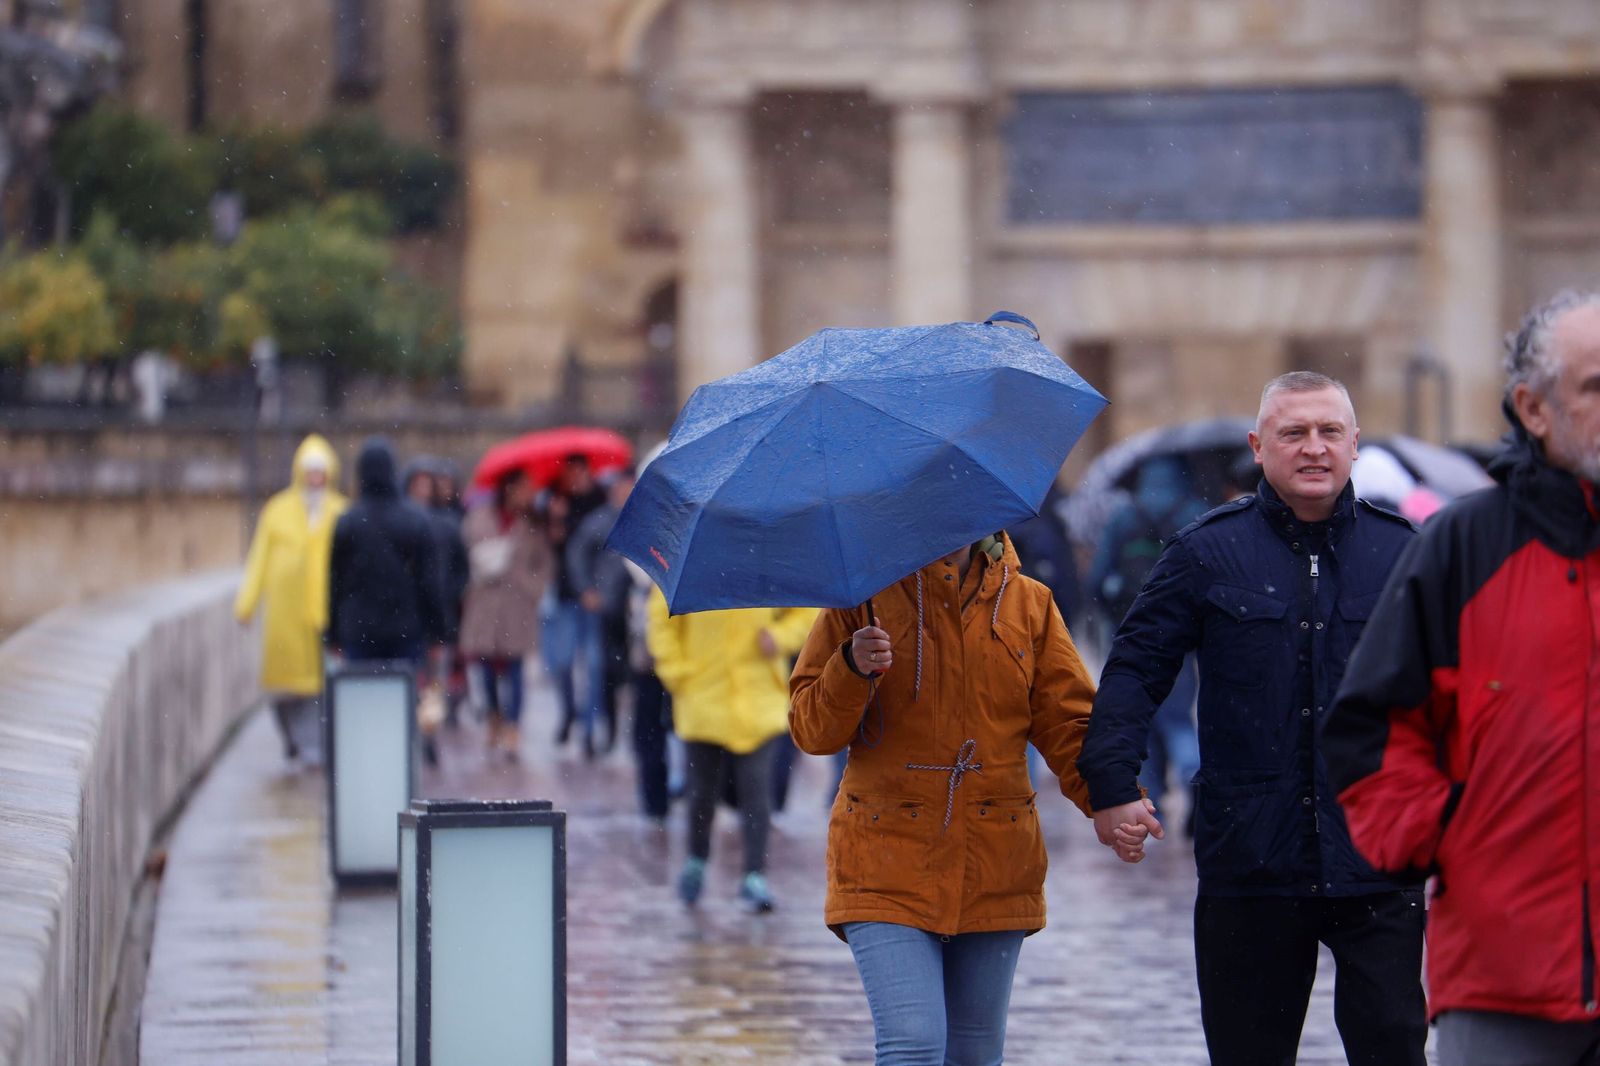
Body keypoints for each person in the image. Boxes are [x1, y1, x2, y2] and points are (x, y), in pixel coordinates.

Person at [1077, 372, 1426, 1066]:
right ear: (1259, 447)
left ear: (1355, 444)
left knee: (1393, 1047)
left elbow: (1457, 685)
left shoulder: (1403, 553)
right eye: (1293, 433)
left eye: (1329, 432)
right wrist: (1112, 784)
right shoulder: (1206, 552)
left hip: (1377, 856)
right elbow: (1135, 667)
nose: (1314, 447)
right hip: (1250, 858)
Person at [1324, 291, 1600, 1066]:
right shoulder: (1465, 547)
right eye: (1595, 386)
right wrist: (1456, 841)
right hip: (1504, 975)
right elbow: (1372, 729)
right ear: (1533, 408)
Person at [790, 532, 1097, 1065]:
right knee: (913, 1044)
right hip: (884, 857)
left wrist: (1114, 798)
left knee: (975, 1055)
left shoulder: (1029, 603)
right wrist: (850, 667)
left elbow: (1069, 724)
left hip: (997, 860)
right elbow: (812, 730)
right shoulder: (861, 601)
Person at [648, 591, 818, 913]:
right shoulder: (693, 568)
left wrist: (779, 637)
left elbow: (806, 612)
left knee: (756, 791)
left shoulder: (766, 567)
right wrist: (677, 673)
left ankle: (754, 874)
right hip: (702, 697)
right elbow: (661, 620)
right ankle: (697, 859)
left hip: (759, 700)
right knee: (701, 792)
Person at [1086, 456, 1207, 829]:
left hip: (1131, 630)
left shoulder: (1124, 514)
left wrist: (1112, 614)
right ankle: (1195, 776)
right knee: (1178, 718)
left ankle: (1152, 803)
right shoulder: (1194, 511)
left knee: (1143, 720)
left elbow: (1097, 577)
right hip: (1181, 633)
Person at [234, 434, 347, 766]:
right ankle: (295, 740)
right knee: (284, 687)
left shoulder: (339, 511)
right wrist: (247, 604)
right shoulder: (278, 510)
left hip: (323, 612)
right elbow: (259, 559)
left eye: (320, 472)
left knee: (319, 687)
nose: (315, 478)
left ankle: (312, 746)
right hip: (287, 612)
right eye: (310, 472)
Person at [327, 437, 445, 665]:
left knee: (361, 687)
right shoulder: (415, 519)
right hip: (405, 630)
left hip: (359, 630)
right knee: (404, 685)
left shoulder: (348, 521)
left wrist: (333, 635)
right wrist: (437, 634)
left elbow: (335, 583)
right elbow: (429, 581)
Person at [458, 467, 549, 760]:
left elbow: (545, 562)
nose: (528, 493)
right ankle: (494, 717)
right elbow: (465, 550)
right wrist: (484, 561)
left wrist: (533, 587)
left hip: (518, 602)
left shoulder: (533, 523)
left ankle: (513, 727)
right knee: (485, 665)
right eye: (523, 487)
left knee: (516, 667)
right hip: (485, 599)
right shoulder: (480, 517)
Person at [541, 454, 609, 753]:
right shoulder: (557, 501)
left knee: (593, 666)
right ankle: (569, 711)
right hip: (566, 594)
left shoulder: (600, 501)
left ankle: (589, 731)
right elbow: (552, 547)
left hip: (594, 596)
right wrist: (555, 519)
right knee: (562, 662)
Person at [565, 466, 636, 755]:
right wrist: (585, 589)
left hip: (634, 611)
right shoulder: (597, 522)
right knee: (598, 672)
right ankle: (594, 732)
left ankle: (629, 736)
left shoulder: (644, 518)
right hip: (603, 609)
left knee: (631, 674)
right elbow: (576, 554)